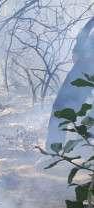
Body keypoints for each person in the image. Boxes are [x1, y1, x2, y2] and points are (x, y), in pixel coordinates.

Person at [45, 17, 94, 150]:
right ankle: (55, 152)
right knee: (62, 108)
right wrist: (78, 49)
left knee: (62, 108)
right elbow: (87, 30)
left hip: (86, 68)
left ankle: (55, 152)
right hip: (84, 67)